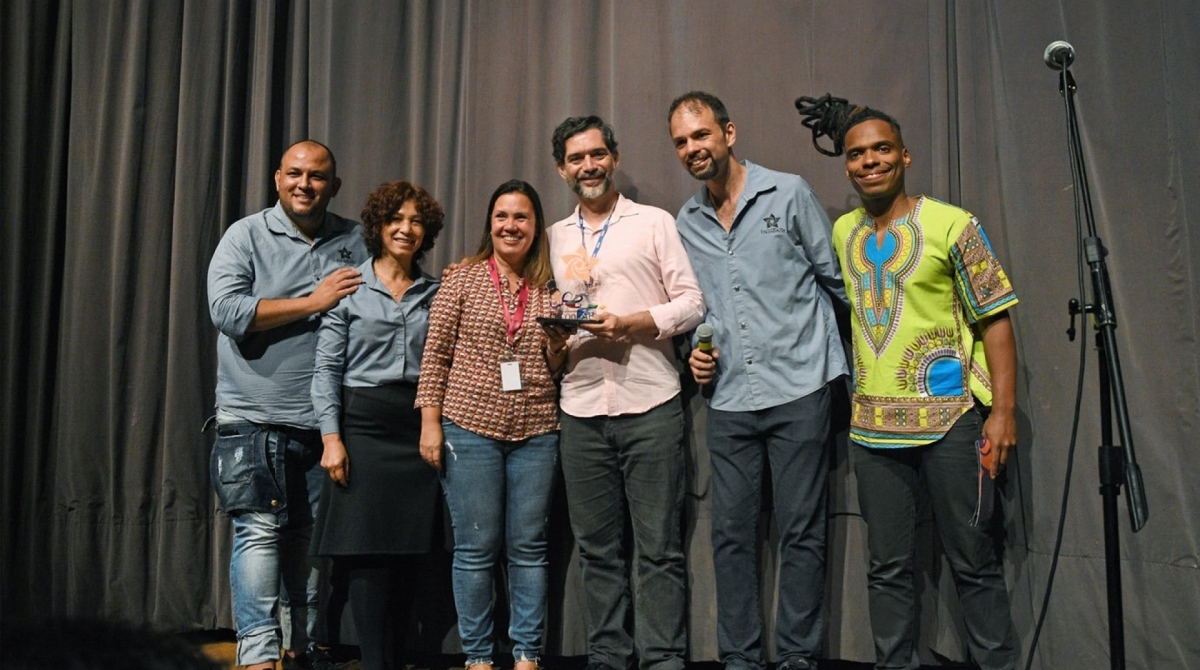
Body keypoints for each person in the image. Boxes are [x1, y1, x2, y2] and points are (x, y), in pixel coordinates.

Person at [795, 93, 1019, 670]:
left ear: (906, 156)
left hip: (951, 422)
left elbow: (994, 318)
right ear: (845, 164)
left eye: (882, 149)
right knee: (887, 569)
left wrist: (1003, 412)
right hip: (872, 432)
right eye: (857, 153)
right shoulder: (843, 231)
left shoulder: (952, 224)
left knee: (972, 560)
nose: (870, 161)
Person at [667, 92, 848, 670]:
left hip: (801, 385)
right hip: (729, 398)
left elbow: (837, 282)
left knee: (802, 533)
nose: (693, 149)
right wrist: (690, 354)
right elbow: (692, 309)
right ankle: (740, 660)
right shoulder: (685, 222)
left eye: (701, 135)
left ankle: (797, 659)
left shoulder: (788, 192)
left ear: (728, 132)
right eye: (681, 142)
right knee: (731, 538)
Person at [547, 115, 705, 670]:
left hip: (651, 402)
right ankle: (609, 656)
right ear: (561, 168)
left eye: (596, 154)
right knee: (596, 551)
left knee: (659, 550)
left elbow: (691, 303)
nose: (587, 166)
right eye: (575, 158)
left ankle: (663, 658)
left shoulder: (655, 223)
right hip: (581, 407)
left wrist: (634, 323)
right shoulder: (554, 238)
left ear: (613, 156)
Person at [207, 139, 366, 670]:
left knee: (311, 543)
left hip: (326, 424)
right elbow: (227, 310)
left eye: (317, 176)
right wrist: (314, 302)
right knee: (258, 533)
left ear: (334, 185)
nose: (305, 184)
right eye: (295, 174)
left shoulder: (355, 241)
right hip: (251, 418)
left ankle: (300, 646)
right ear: (277, 178)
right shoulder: (245, 236)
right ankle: (256, 655)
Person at [416, 179, 567, 670]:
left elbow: (557, 365)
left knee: (528, 549)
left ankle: (527, 655)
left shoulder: (552, 287)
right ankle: (478, 658)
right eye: (502, 216)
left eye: (521, 217)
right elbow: (435, 356)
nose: (510, 225)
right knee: (477, 549)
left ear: (536, 226)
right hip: (468, 428)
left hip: (537, 429)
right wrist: (430, 425)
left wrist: (559, 347)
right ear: (490, 223)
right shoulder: (460, 279)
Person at [309, 180, 445, 670]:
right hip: (362, 427)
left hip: (418, 428)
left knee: (409, 555)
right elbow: (325, 370)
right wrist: (331, 438)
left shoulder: (437, 293)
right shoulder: (348, 286)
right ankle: (373, 663)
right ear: (378, 226)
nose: (406, 229)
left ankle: (395, 659)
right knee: (368, 555)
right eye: (396, 219)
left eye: (415, 221)